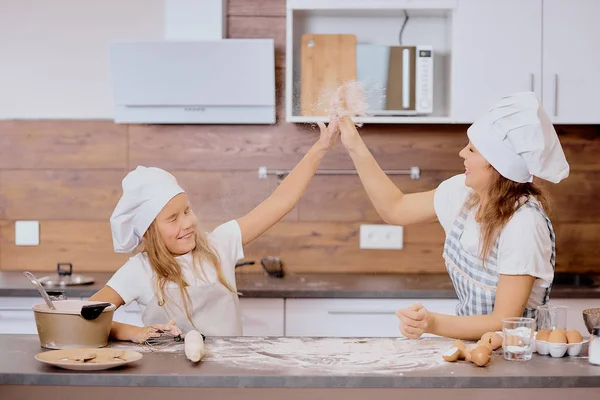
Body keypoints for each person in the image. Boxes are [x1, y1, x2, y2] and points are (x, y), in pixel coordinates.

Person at [334, 91, 569, 340]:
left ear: (498, 165)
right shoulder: (464, 194)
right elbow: (395, 208)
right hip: (473, 350)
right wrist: (352, 142)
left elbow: (503, 322)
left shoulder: (524, 224)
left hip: (516, 358)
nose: (461, 153)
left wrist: (431, 322)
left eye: (472, 150)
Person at [89, 118, 340, 343]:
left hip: (228, 374)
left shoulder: (220, 244)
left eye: (187, 211)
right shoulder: (139, 270)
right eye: (173, 218)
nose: (186, 223)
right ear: (148, 232)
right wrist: (132, 332)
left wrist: (320, 148)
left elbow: (280, 202)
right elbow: (86, 315)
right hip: (168, 375)